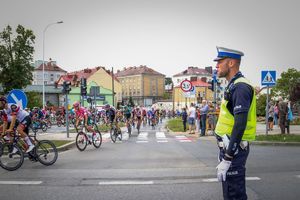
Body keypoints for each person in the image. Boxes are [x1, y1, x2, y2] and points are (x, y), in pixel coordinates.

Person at [214, 47, 256, 200]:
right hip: (230, 147)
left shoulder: (240, 87)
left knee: (234, 195)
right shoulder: (234, 85)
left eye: (220, 62)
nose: (216, 66)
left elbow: (240, 124)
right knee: (230, 192)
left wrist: (228, 157)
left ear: (231, 63)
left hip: (234, 149)